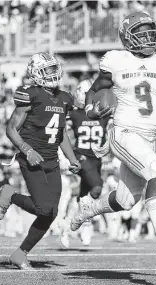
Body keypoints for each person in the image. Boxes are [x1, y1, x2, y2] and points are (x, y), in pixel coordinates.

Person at [68, 12, 156, 257]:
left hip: (148, 138)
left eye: (150, 30)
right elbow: (95, 89)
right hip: (123, 131)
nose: (148, 36)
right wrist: (91, 110)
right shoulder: (116, 60)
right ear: (128, 36)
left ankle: (89, 209)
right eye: (142, 32)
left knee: (127, 201)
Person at [0, 52, 81, 269]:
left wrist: (72, 158)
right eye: (47, 70)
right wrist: (27, 149)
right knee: (44, 209)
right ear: (35, 73)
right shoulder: (29, 94)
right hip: (31, 157)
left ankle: (20, 253)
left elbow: (60, 135)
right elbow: (11, 129)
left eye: (54, 69)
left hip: (51, 159)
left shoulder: (64, 98)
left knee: (51, 212)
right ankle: (9, 194)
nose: (52, 74)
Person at [60, 79, 111, 247]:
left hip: (96, 159)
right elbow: (60, 132)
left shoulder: (103, 113)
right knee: (97, 188)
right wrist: (63, 155)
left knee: (83, 196)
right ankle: (86, 223)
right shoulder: (74, 113)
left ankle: (67, 226)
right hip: (81, 156)